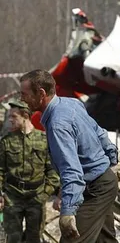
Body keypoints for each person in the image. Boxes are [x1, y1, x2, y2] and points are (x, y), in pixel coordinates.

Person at [19, 69, 120, 243]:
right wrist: (113, 160)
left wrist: (67, 212)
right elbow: (99, 132)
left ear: (41, 93)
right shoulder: (71, 104)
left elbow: (71, 170)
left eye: (25, 94)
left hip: (95, 189)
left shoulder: (57, 125)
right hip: (103, 182)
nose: (22, 99)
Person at [0, 99, 60, 243]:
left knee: (33, 238)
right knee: (13, 238)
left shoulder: (44, 140)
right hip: (12, 197)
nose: (10, 120)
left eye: (14, 116)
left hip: (36, 197)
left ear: (25, 116)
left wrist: (44, 194)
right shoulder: (6, 141)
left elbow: (53, 171)